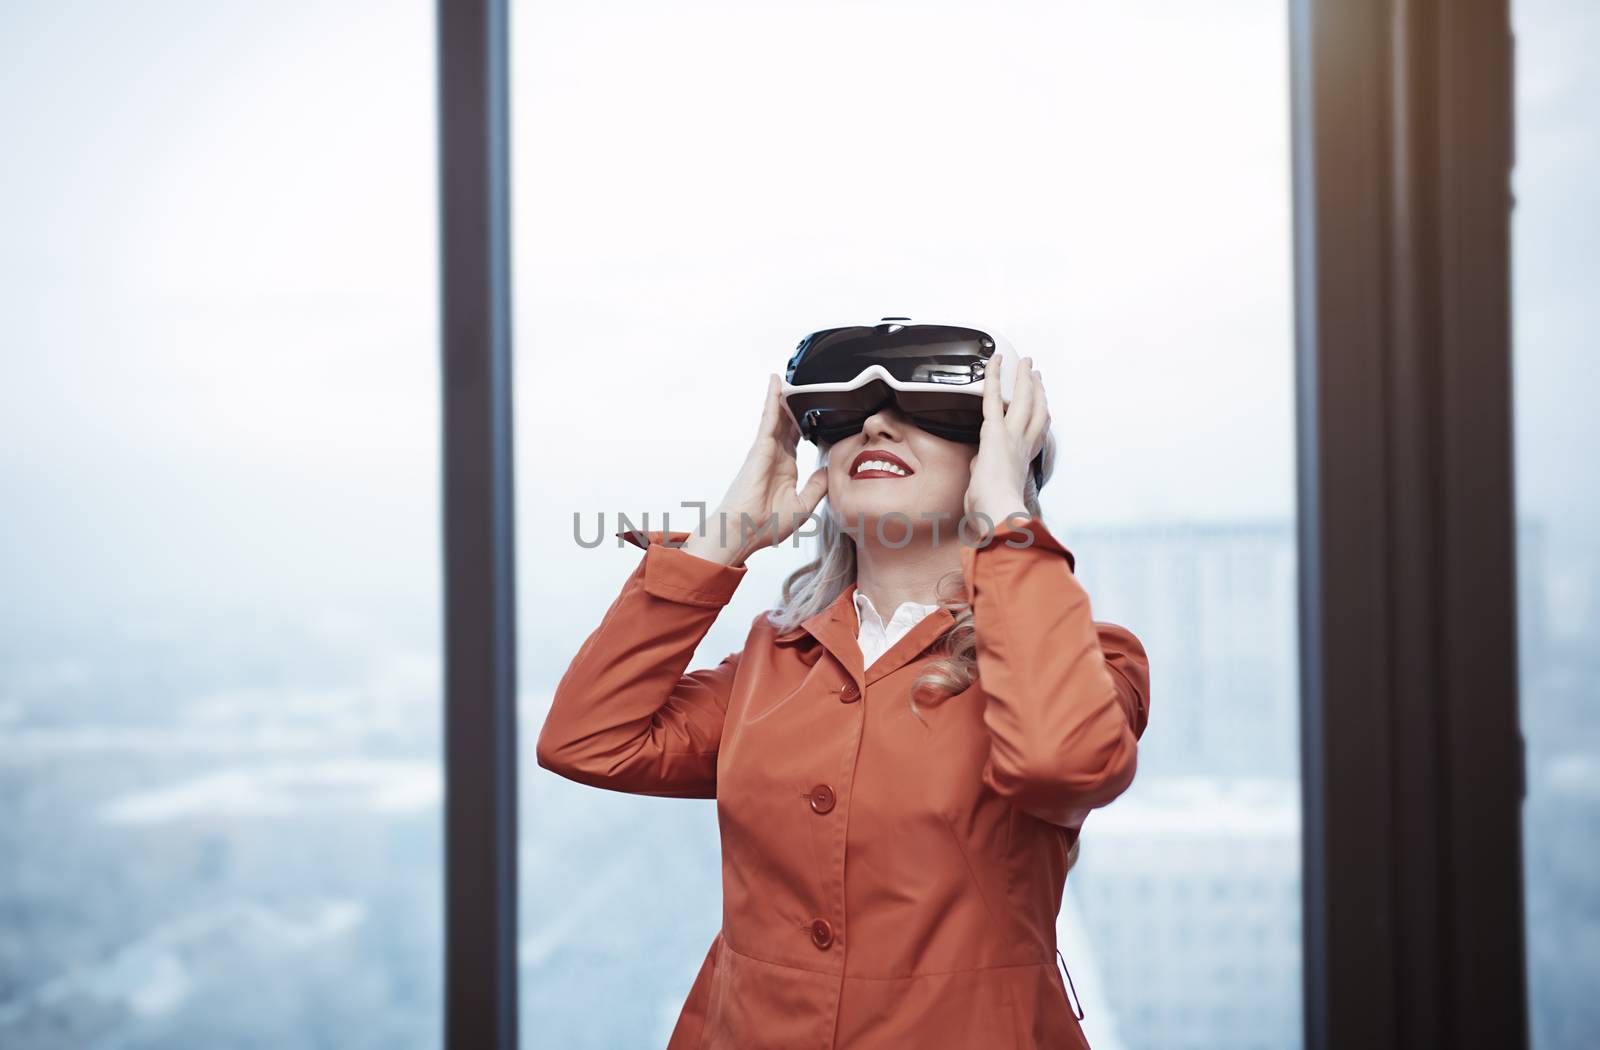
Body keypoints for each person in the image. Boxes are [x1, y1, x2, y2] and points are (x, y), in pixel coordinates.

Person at [536, 350, 1151, 1049]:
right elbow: (586, 740)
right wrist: (728, 534)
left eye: (925, 414)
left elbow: (1061, 761)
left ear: (995, 459)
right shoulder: (775, 662)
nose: (878, 425)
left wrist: (1006, 518)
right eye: (850, 417)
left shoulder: (1093, 659)